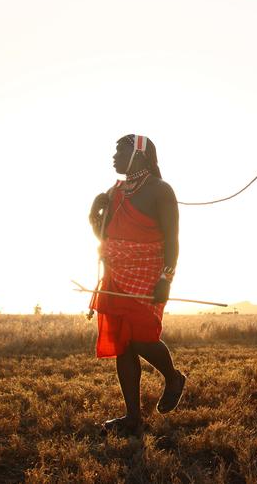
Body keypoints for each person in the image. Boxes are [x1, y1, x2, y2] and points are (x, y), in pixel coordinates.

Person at [88, 134, 185, 435]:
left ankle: (173, 377)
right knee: (123, 346)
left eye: (120, 151)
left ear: (140, 155)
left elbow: (172, 239)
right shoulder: (113, 191)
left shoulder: (160, 190)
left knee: (143, 338)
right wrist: (94, 214)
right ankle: (132, 418)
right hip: (115, 275)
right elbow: (105, 237)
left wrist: (166, 277)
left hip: (148, 274)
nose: (114, 157)